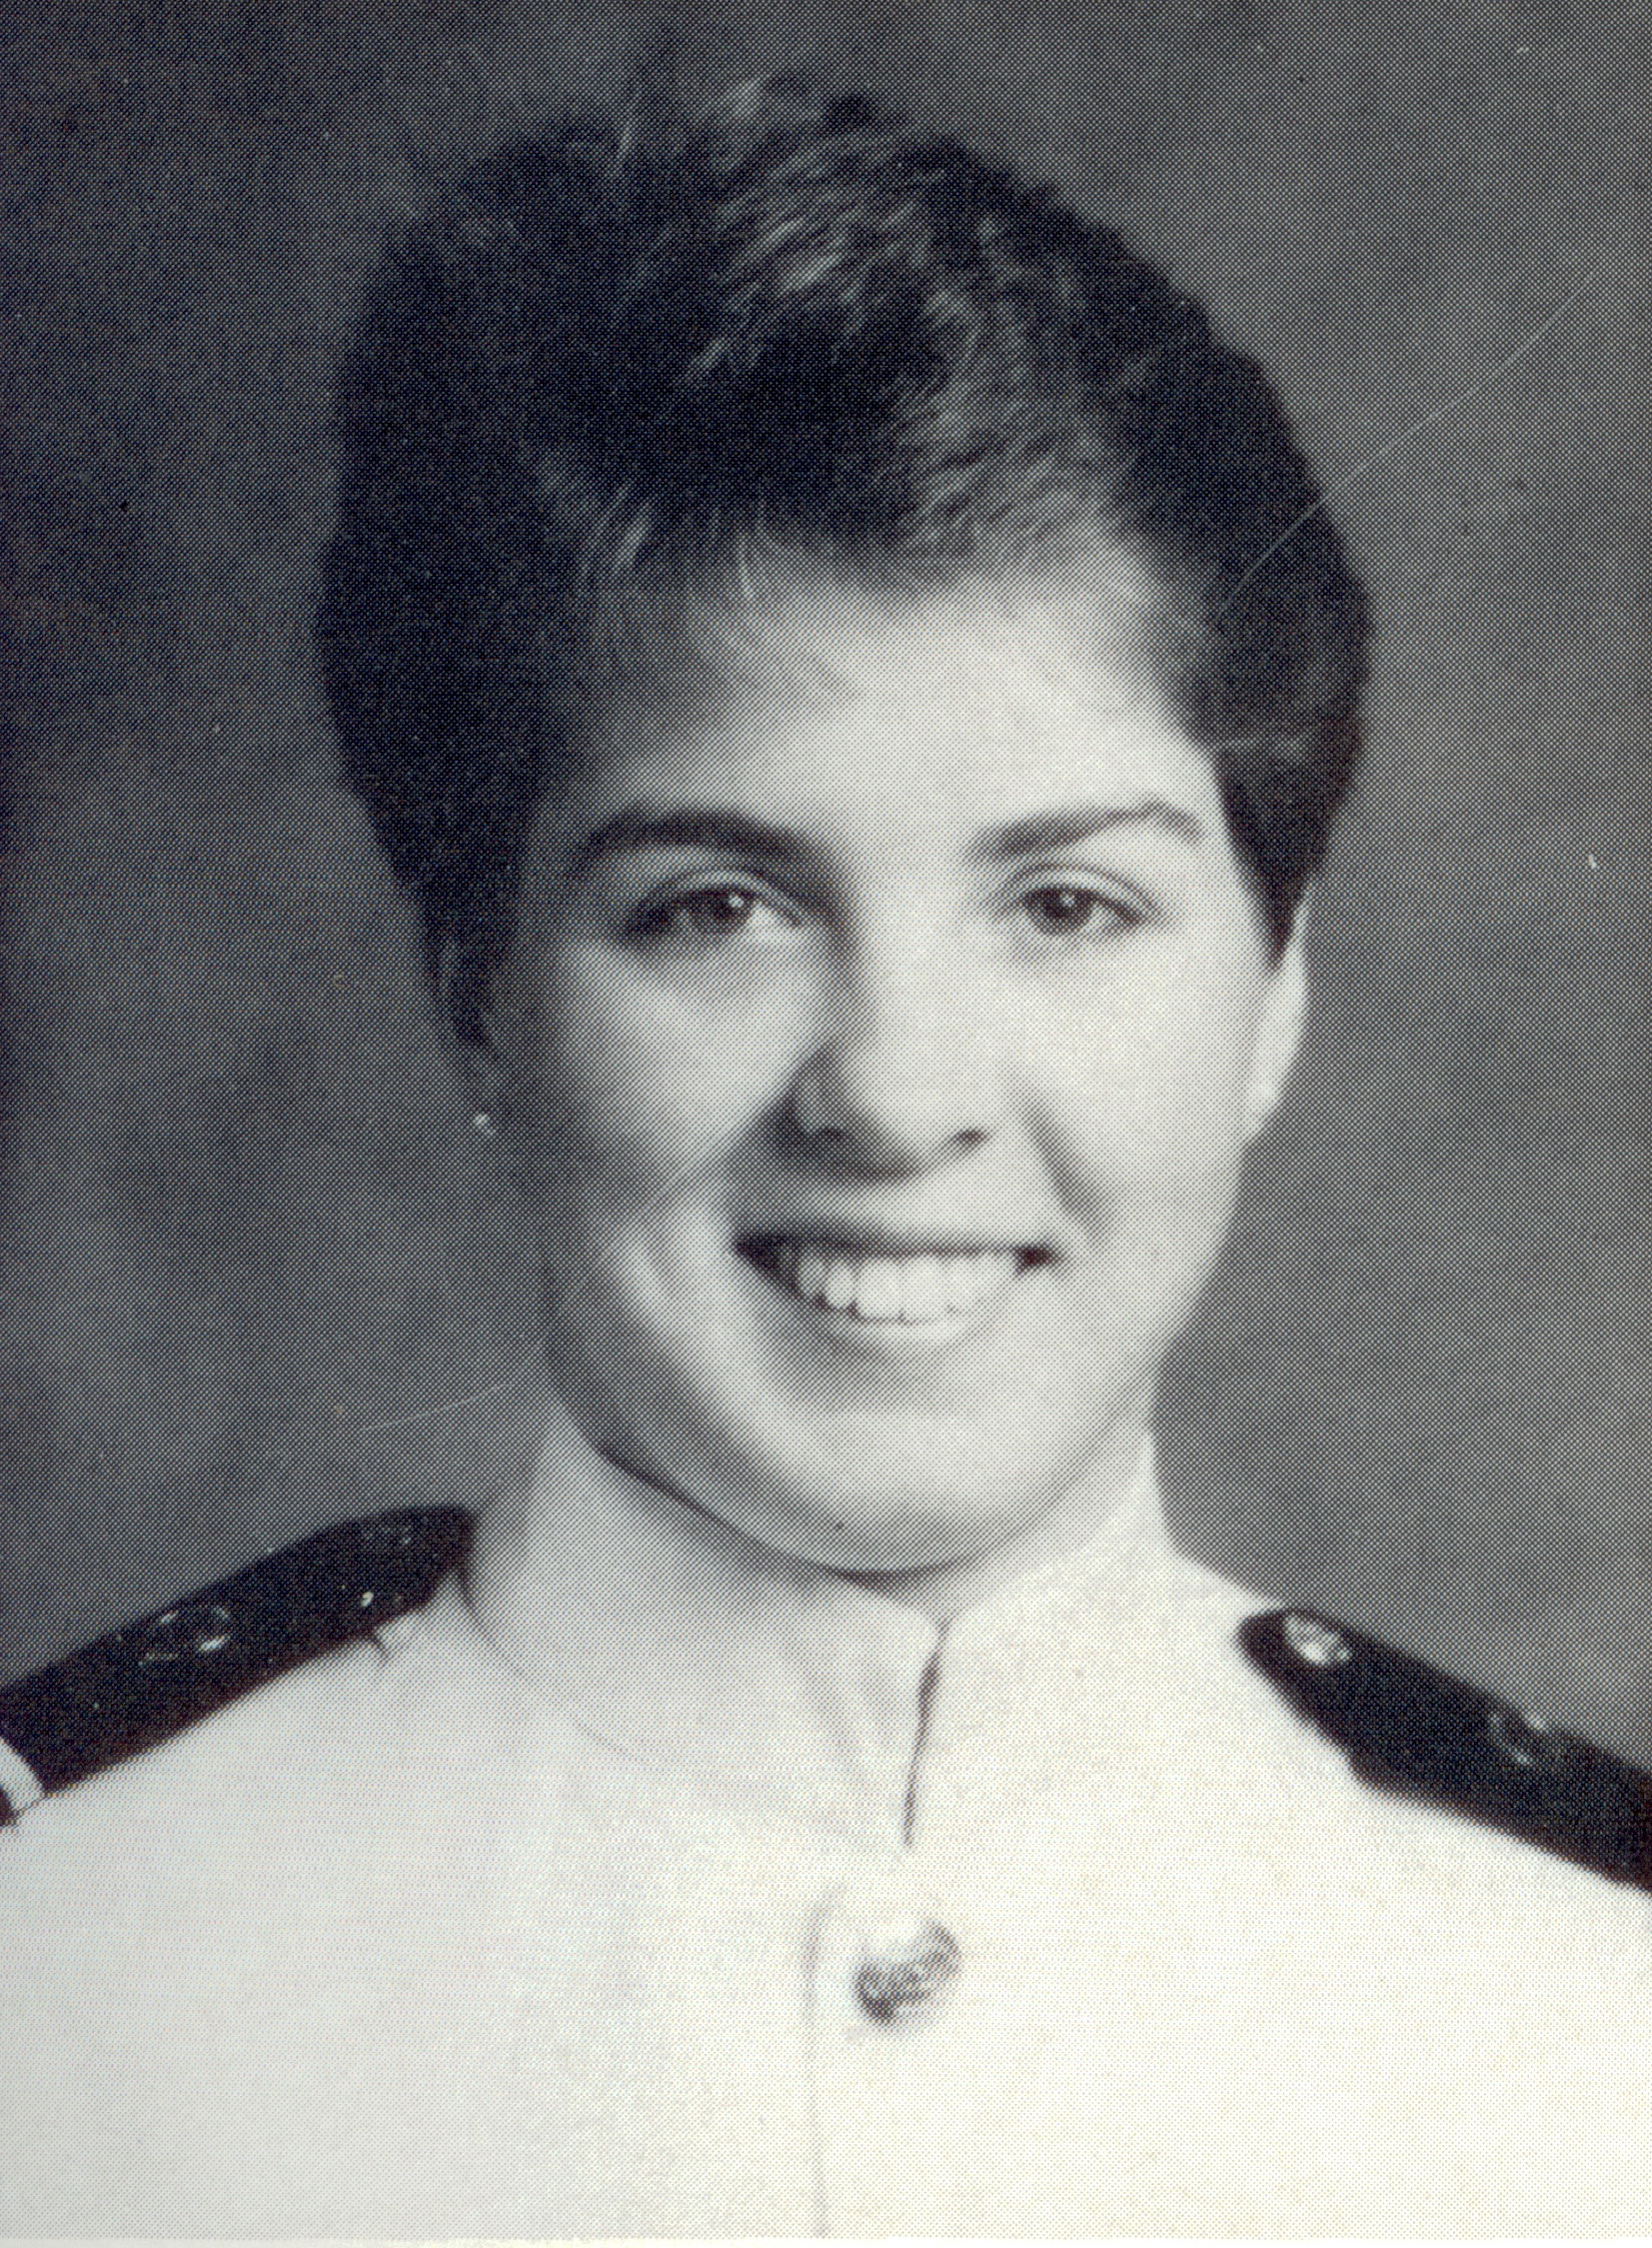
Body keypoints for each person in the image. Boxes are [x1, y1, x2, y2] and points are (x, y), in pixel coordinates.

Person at [3, 75, 1651, 2238]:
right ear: (479, 988)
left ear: (1270, 993)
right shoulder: (71, 1972)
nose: (893, 1093)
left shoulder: (1586, 2010)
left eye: (1066, 903)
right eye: (720, 905)